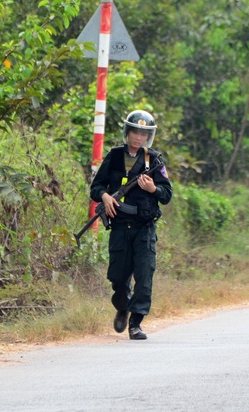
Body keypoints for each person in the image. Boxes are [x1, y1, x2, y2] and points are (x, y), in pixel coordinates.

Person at [90, 110, 173, 340]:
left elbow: (167, 194)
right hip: (119, 228)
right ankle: (123, 307)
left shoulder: (154, 160)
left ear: (149, 137)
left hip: (144, 229)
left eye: (144, 134)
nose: (139, 137)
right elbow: (96, 187)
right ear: (128, 133)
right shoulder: (115, 156)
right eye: (135, 132)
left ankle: (136, 323)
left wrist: (152, 189)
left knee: (144, 277)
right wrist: (105, 197)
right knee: (118, 278)